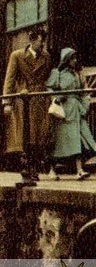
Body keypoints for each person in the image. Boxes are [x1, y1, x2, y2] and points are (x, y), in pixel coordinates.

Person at [2, 27, 52, 170]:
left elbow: (47, 77)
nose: (42, 45)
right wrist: (7, 102)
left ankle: (36, 165)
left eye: (43, 42)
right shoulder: (17, 56)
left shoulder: (46, 56)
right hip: (24, 100)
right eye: (40, 42)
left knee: (41, 135)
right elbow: (9, 79)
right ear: (31, 40)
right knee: (25, 135)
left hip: (41, 99)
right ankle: (27, 168)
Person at [47, 48, 96, 180]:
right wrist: (56, 98)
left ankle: (79, 169)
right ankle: (52, 169)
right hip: (63, 112)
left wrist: (85, 105)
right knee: (60, 143)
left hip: (76, 110)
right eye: (72, 58)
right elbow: (49, 88)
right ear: (66, 60)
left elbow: (83, 90)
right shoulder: (56, 73)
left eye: (75, 58)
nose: (75, 61)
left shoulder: (77, 73)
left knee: (80, 139)